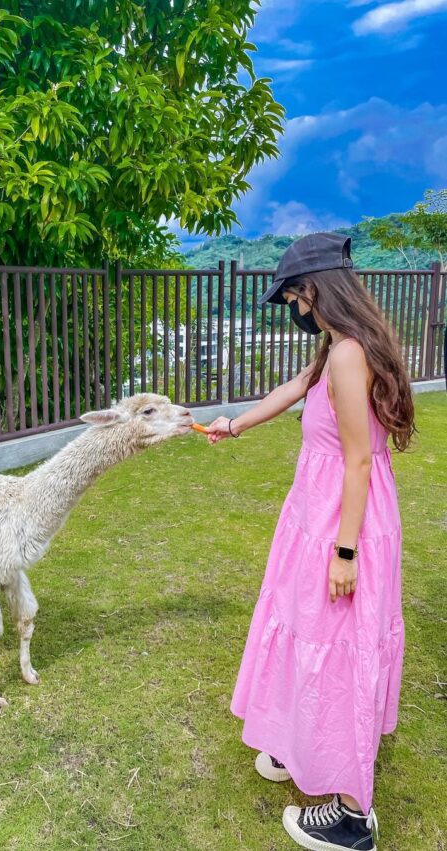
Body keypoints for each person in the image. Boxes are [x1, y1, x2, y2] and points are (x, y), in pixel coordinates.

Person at [208, 233, 415, 850]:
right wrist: (235, 424)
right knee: (305, 627)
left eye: (296, 295)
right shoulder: (338, 348)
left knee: (341, 645)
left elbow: (357, 460)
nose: (296, 307)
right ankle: (303, 748)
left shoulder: (351, 354)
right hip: (317, 512)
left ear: (314, 291)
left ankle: (354, 817)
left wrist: (345, 552)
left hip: (341, 520)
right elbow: (294, 389)